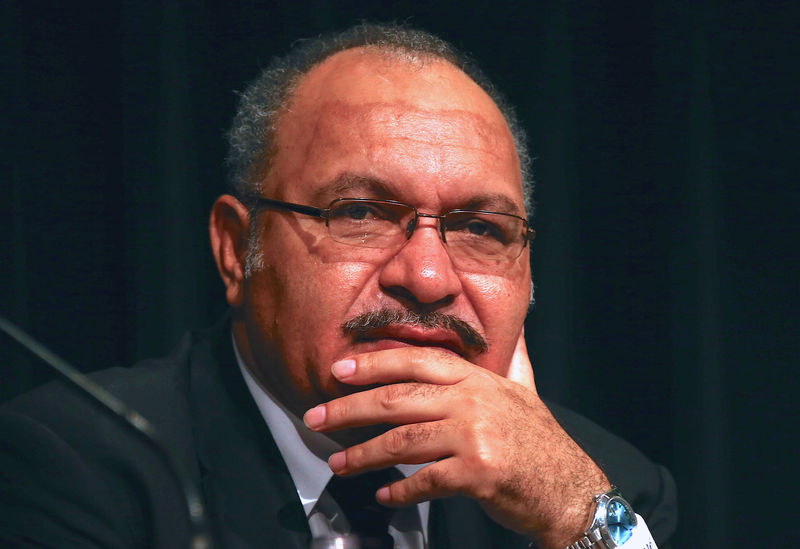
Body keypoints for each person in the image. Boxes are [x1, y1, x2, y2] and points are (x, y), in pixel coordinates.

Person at [0, 23, 677, 549]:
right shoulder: (78, 466)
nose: (428, 276)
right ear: (239, 251)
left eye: (479, 228)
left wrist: (574, 513)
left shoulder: (599, 484)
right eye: (359, 214)